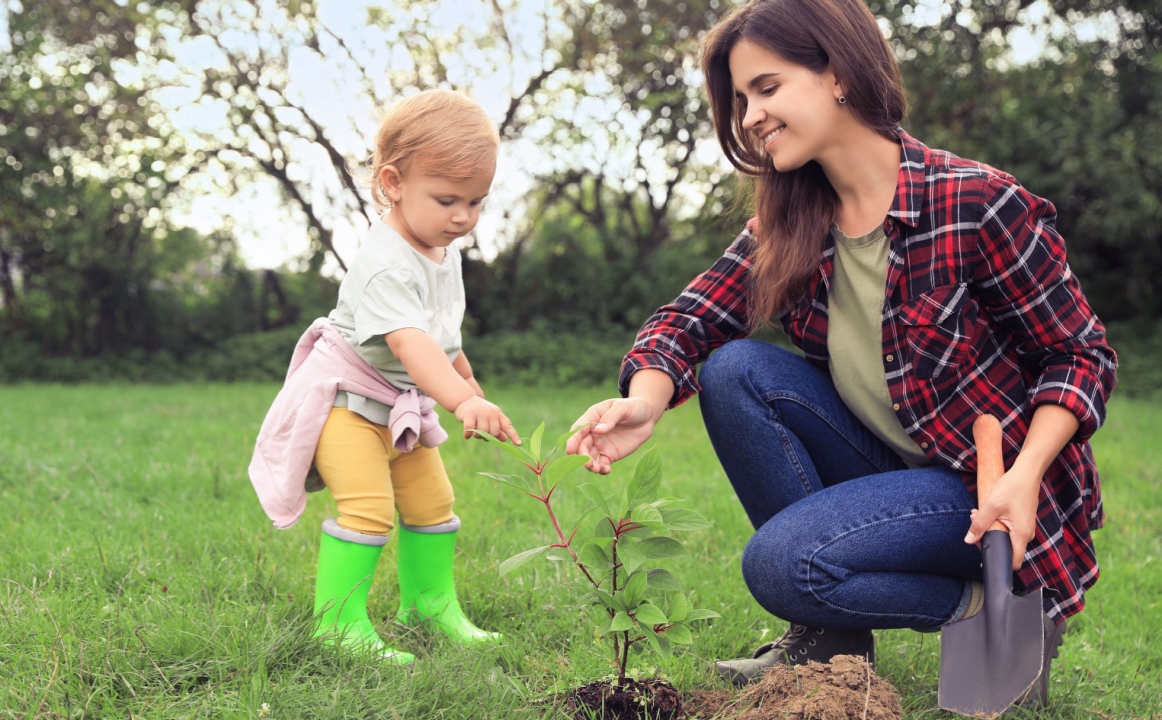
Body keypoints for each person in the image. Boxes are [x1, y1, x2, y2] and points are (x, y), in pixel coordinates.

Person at [566, 0, 1116, 704]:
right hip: (893, 466)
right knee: (736, 370)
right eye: (740, 101)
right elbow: (688, 320)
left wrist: (1027, 472)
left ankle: (1005, 605)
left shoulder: (975, 202)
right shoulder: (796, 221)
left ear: (838, 74)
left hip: (993, 495)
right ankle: (833, 641)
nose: (750, 116)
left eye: (767, 87)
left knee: (781, 567)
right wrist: (645, 399)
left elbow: (1079, 354)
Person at [249, 89, 521, 665]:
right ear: (393, 183)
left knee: (433, 502)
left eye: (477, 202)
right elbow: (410, 343)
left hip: (401, 404)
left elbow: (444, 340)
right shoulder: (385, 261)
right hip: (349, 408)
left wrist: (472, 391)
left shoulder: (440, 251)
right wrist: (457, 401)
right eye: (448, 199)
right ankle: (338, 627)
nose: (464, 217)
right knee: (367, 509)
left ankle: (428, 605)